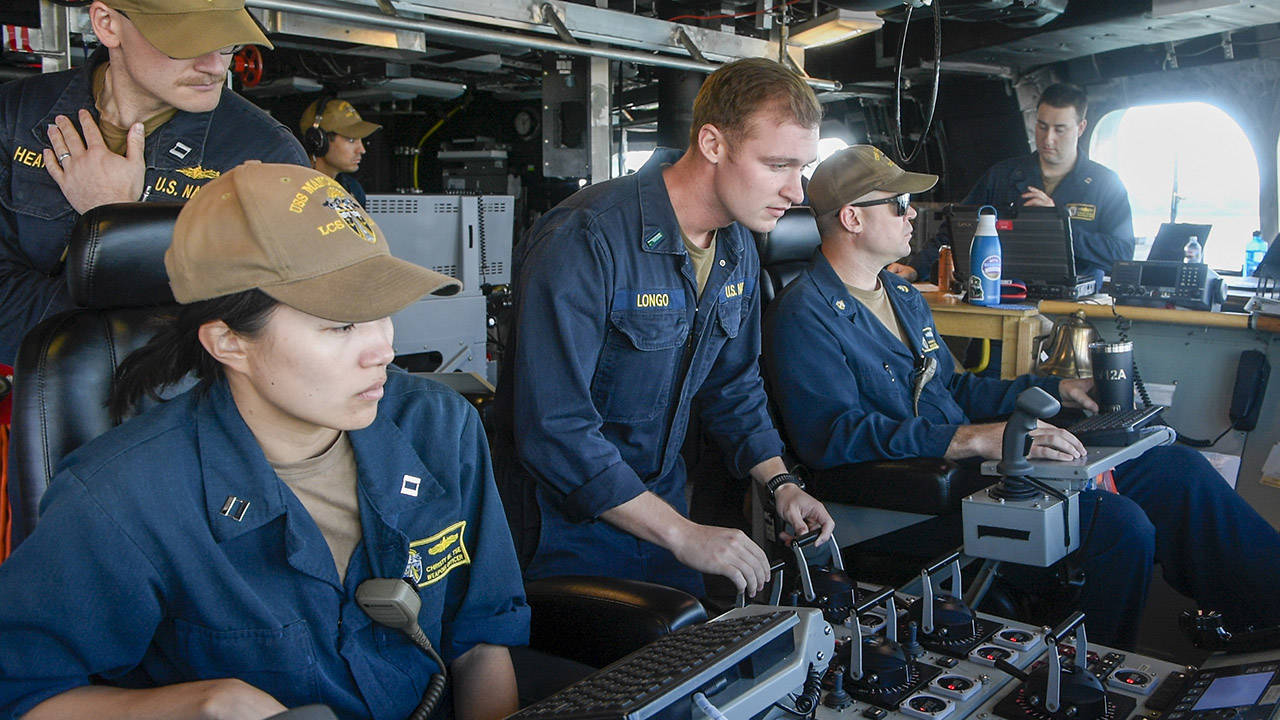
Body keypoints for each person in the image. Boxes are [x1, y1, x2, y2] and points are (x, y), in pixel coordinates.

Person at [0, 163, 529, 720]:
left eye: (383, 313)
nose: (384, 350)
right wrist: (196, 704)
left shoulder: (441, 427)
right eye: (341, 325)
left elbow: (480, 640)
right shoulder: (121, 496)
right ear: (229, 343)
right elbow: (21, 690)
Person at [763, 144, 1280, 648]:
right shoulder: (805, 312)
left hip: (973, 468)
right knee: (1119, 526)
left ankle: (1266, 617)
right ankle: (1088, 686)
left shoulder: (899, 295)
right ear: (852, 218)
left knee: (1177, 470)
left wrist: (1060, 390)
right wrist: (974, 440)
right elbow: (832, 437)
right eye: (898, 204)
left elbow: (956, 387)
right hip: (908, 499)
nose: (912, 215)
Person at [491, 58, 834, 599]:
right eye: (777, 165)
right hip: (563, 524)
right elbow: (554, 427)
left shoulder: (736, 244)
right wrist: (683, 535)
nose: (797, 192)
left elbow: (733, 386)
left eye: (802, 167)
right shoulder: (586, 238)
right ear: (713, 144)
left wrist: (780, 482)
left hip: (664, 510)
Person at [0, 0, 309, 365]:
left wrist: (117, 219)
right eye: (188, 41)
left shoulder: (267, 153)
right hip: (33, 398)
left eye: (229, 42)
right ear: (107, 24)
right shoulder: (15, 113)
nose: (214, 66)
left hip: (174, 406)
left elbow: (257, 330)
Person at [905, 83, 1134, 282]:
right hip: (1006, 293)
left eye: (1060, 129)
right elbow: (956, 228)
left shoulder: (1106, 184)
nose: (1048, 138)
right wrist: (915, 268)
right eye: (1042, 126)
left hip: (1074, 305)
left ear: (1081, 128)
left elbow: (1121, 254)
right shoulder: (1002, 176)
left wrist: (1058, 224)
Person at [299, 96, 380, 206]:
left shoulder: (353, 190)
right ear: (318, 141)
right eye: (351, 140)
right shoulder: (291, 191)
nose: (362, 150)